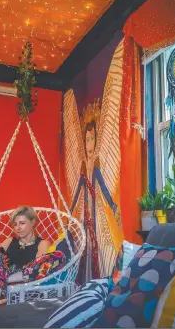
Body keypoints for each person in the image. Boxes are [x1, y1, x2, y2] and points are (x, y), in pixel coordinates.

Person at [0, 206, 66, 308]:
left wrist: (2, 277)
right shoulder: (9, 241)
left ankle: (1, 286)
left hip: (25, 285)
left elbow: (39, 268)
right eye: (15, 224)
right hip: (2, 288)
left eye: (22, 223)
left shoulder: (43, 243)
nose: (18, 228)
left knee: (56, 256)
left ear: (33, 222)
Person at [71, 119, 118, 281]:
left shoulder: (96, 165)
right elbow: (78, 189)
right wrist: (70, 210)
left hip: (94, 210)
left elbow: (103, 187)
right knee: (85, 243)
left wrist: (112, 204)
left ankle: (94, 278)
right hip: (86, 210)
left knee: (94, 242)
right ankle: (84, 278)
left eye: (92, 138)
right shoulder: (84, 166)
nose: (89, 143)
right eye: (87, 139)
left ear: (96, 140)